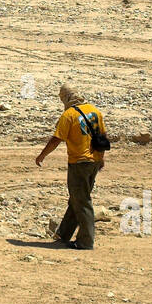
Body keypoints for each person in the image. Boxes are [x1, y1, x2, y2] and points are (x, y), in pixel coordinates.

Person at [34, 83, 109, 250]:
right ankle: (64, 234)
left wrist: (42, 155)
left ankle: (85, 241)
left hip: (79, 162)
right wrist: (101, 158)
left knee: (82, 201)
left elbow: (56, 139)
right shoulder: (95, 111)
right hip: (94, 161)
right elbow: (103, 136)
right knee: (77, 198)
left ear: (65, 98)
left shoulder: (68, 115)